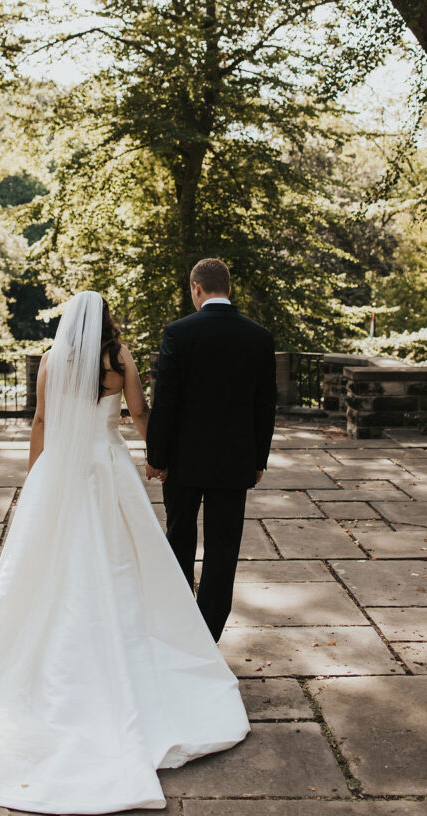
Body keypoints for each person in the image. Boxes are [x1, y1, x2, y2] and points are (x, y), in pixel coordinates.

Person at [0, 290, 250, 813]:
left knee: (50, 566)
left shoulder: (51, 360)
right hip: (107, 468)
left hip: (62, 472)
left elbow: (42, 423)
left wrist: (35, 479)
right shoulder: (119, 358)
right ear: (106, 319)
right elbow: (139, 411)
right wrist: (157, 458)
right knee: (126, 561)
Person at [146, 258, 277, 643]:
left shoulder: (178, 333)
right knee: (223, 547)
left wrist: (157, 457)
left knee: (179, 537)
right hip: (235, 462)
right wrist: (258, 461)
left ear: (196, 289)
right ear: (228, 289)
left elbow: (165, 401)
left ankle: (180, 622)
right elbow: (264, 405)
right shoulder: (259, 337)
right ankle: (208, 632)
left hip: (183, 463)